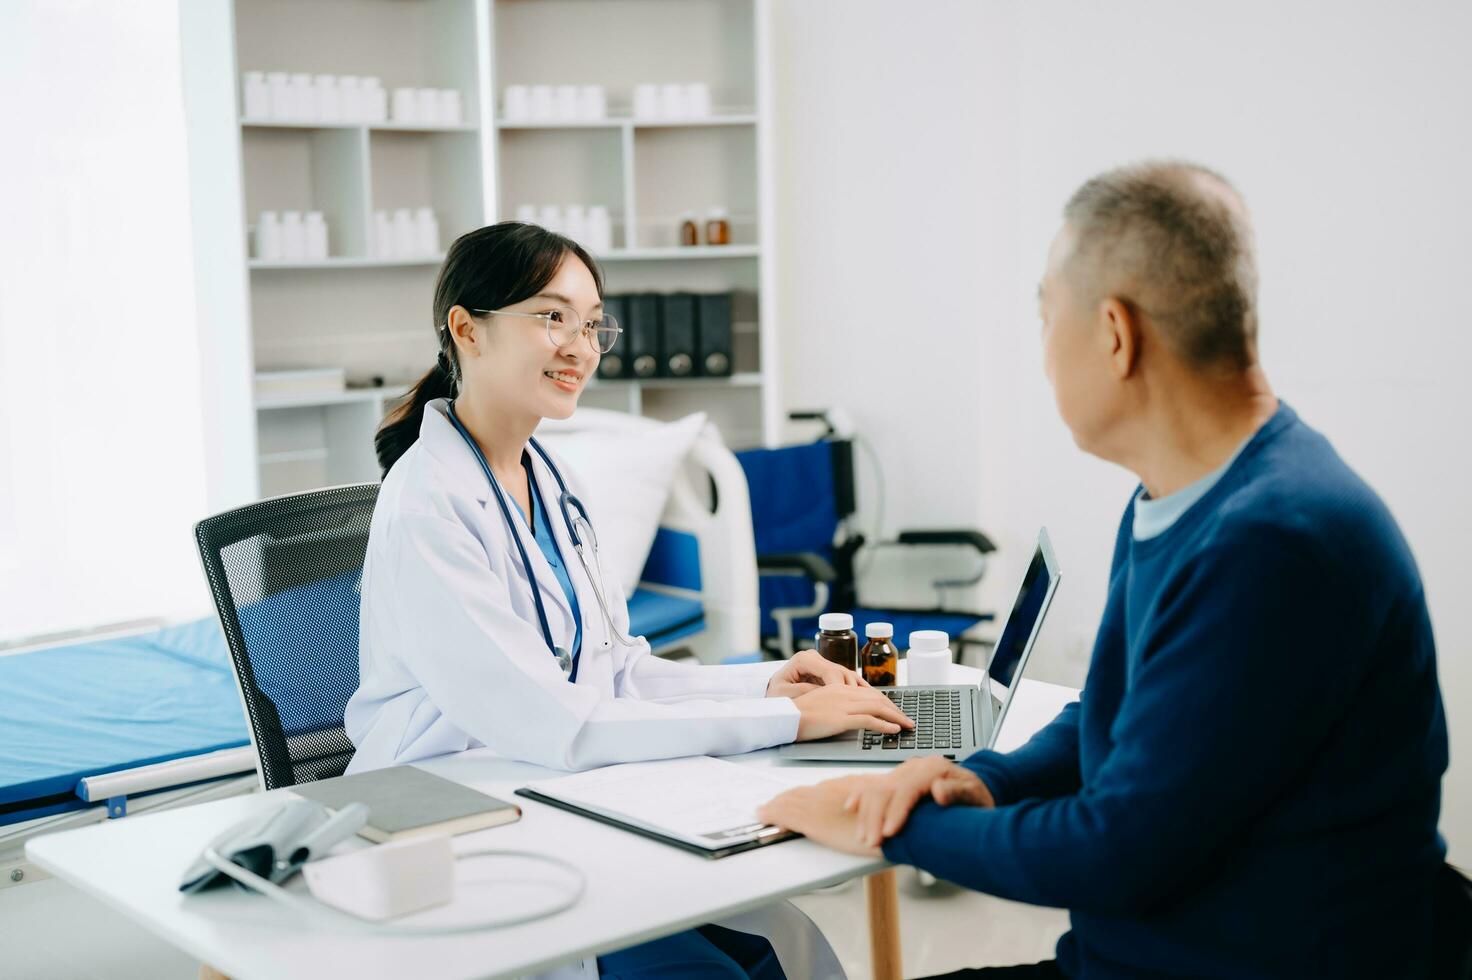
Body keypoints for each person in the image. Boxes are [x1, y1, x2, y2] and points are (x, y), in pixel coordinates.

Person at [759, 161, 1451, 979]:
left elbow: (1119, 850)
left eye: (1046, 316)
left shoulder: (1275, 539)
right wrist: (980, 781)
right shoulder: (1179, 492)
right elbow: (1116, 714)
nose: (1044, 354)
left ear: (1116, 335)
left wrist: (885, 824)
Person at [346, 222, 912, 979]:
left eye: (591, 324)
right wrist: (785, 719)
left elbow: (616, 671)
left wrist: (767, 681)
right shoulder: (428, 503)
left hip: (550, 783)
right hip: (458, 816)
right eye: (552, 318)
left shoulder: (552, 480)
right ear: (467, 330)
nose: (580, 347)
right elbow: (554, 718)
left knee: (782, 944)